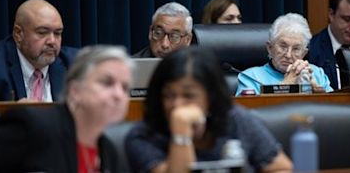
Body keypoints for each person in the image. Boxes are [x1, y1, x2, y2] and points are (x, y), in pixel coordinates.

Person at [125, 47, 293, 173]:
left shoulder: (235, 119)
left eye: (188, 95)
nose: (176, 104)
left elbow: (281, 167)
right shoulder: (143, 135)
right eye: (168, 95)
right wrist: (181, 135)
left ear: (211, 96)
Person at [0, 45, 133, 172]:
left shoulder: (109, 151)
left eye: (125, 88)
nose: (119, 95)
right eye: (107, 83)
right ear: (75, 91)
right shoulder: (32, 127)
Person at [0, 0, 78, 101]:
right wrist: (12, 114)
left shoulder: (75, 65)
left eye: (57, 33)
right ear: (18, 34)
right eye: (42, 32)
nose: (52, 41)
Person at [236, 13, 333, 96]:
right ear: (270, 48)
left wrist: (319, 94)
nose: (288, 55)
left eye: (296, 49)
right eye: (283, 47)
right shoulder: (251, 78)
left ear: (304, 53)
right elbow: (246, 114)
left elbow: (334, 110)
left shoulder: (317, 74)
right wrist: (285, 86)